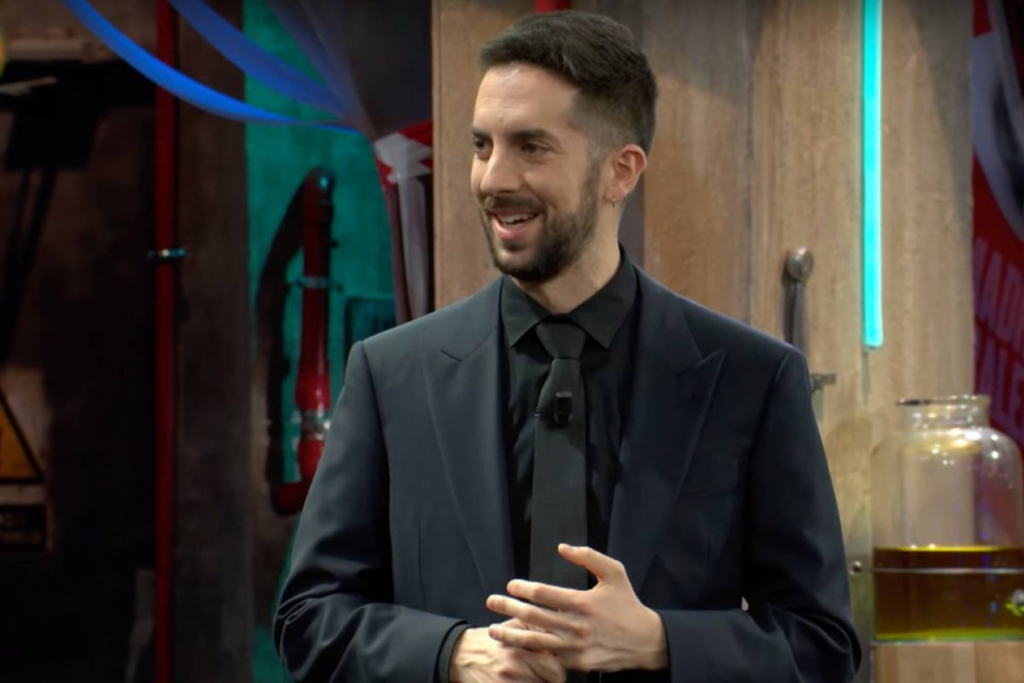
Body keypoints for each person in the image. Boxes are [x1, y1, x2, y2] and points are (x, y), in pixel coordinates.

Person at [274, 10, 860, 683]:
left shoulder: (751, 380)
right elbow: (308, 618)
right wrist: (451, 654)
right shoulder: (392, 375)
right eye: (482, 145)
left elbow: (822, 645)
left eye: (531, 147)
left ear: (620, 173)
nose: (493, 179)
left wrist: (661, 641)